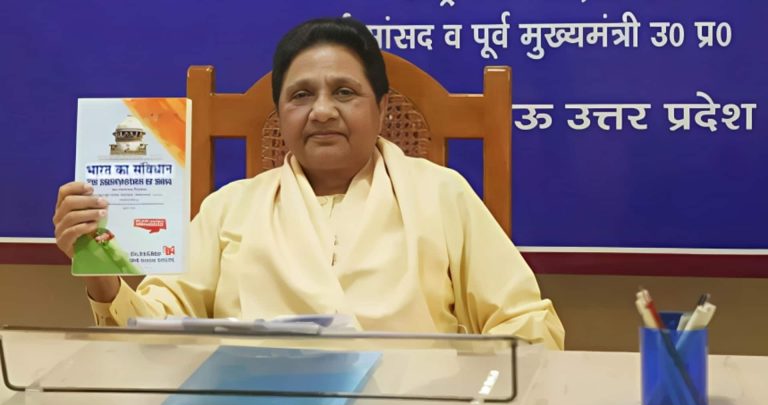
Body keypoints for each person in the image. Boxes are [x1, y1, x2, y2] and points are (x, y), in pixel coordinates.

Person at [52, 17, 565, 349]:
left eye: (344, 92)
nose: (322, 111)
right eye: (301, 95)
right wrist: (101, 269)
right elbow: (155, 336)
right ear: (280, 115)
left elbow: (526, 325)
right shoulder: (230, 207)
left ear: (382, 109)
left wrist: (464, 400)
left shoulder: (442, 193)